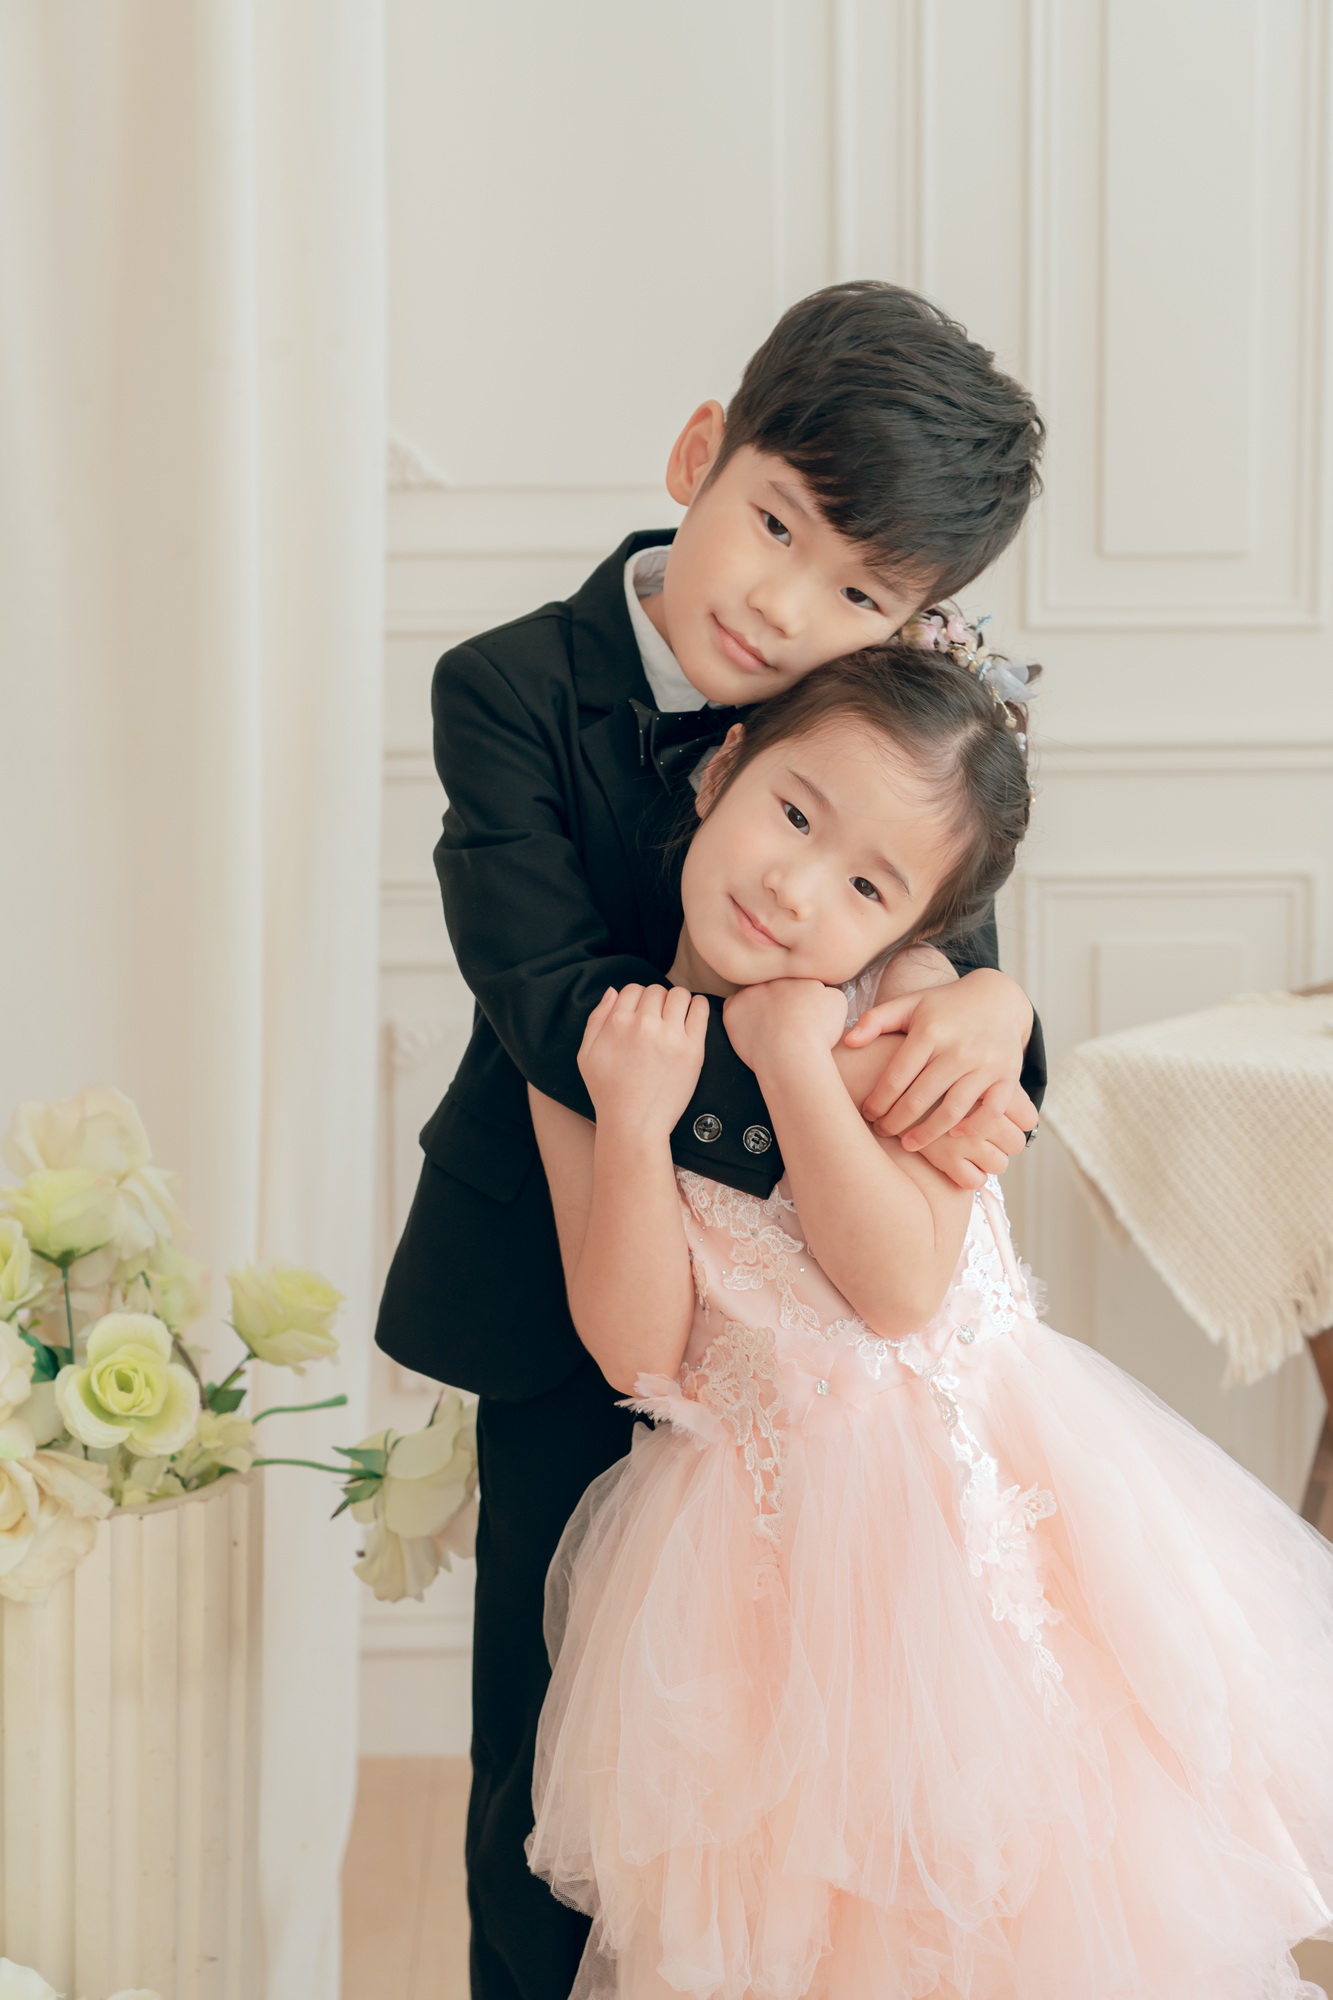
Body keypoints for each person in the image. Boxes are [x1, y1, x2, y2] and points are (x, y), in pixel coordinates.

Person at [375, 281, 1048, 2000]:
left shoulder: (865, 719)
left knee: (800, 1777)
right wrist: (804, 1065)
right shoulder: (507, 687)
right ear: (699, 453)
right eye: (776, 525)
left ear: (915, 618)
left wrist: (981, 1003)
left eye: (862, 593)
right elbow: (546, 995)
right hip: (570, 1278)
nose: (787, 607)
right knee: (553, 1759)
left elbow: (929, 918)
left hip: (812, 1339)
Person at [526, 646, 1333, 2000]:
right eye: (793, 814)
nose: (797, 888)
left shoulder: (909, 1009)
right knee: (811, 1919)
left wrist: (795, 1054)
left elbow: (898, 1286)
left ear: (921, 925)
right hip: (760, 1565)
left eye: (868, 886)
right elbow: (639, 1353)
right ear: (723, 772)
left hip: (981, 1523)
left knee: (1038, 1882)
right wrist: (632, 1125)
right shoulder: (607, 1047)